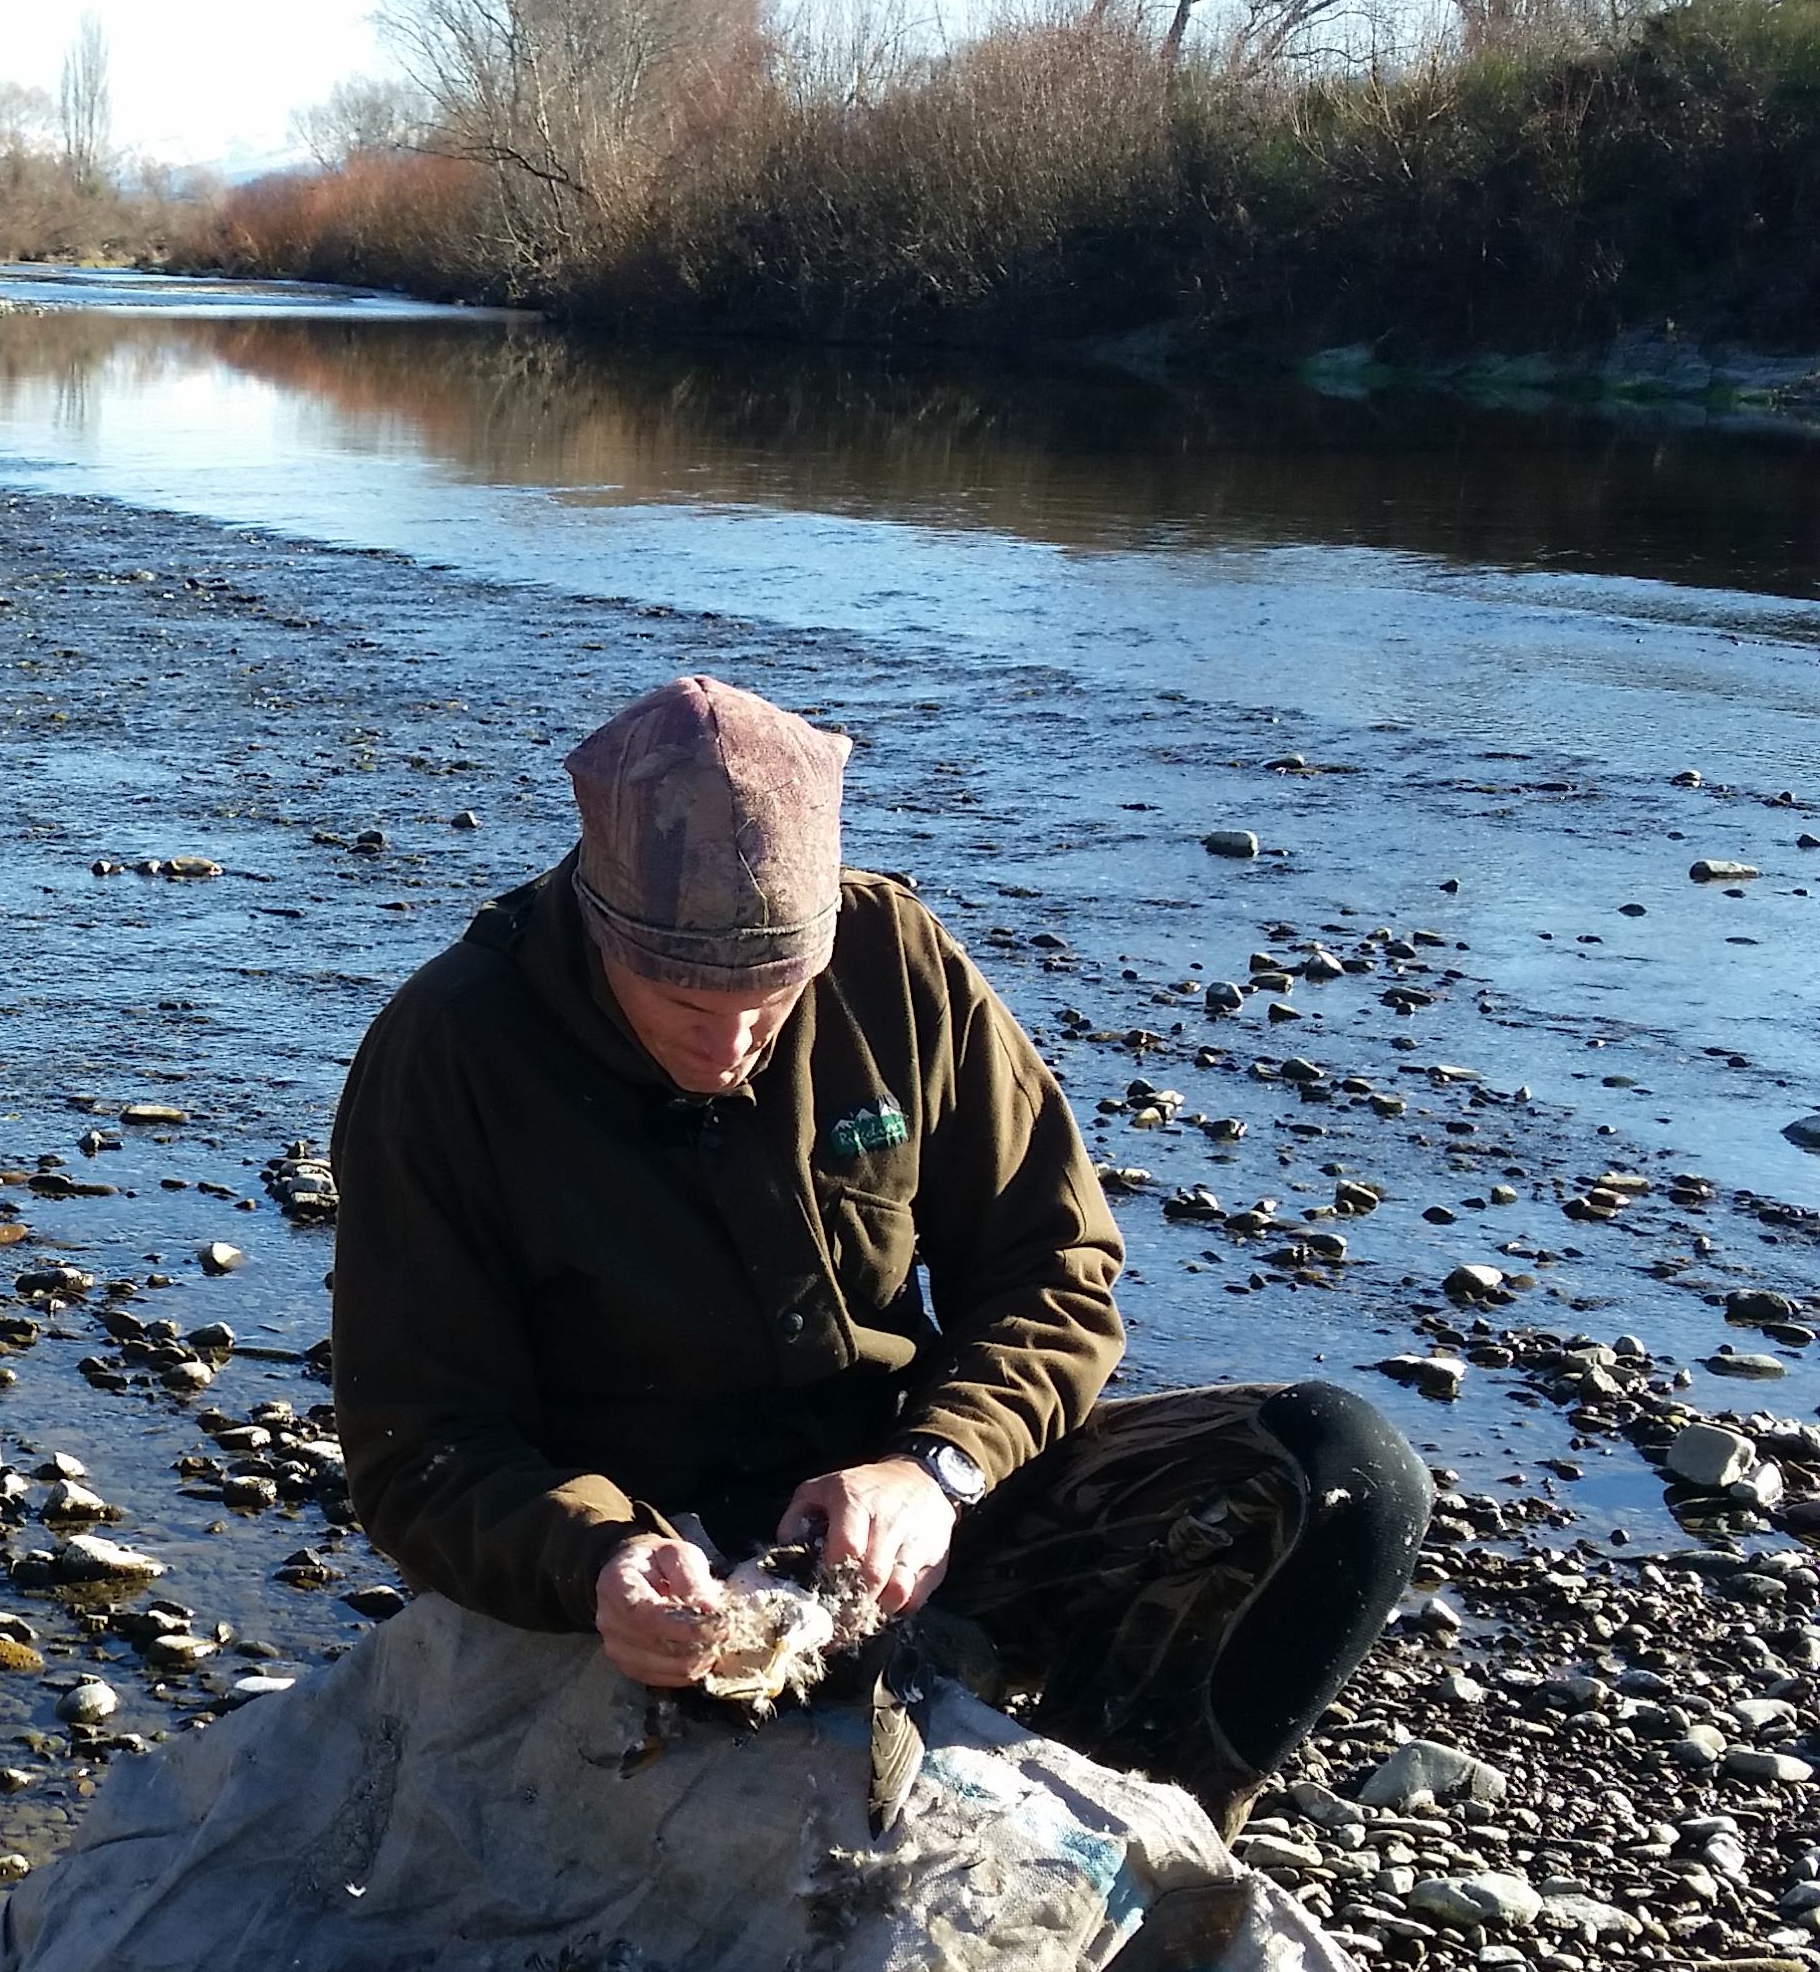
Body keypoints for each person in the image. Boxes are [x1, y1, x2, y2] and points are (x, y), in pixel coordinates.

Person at [329, 675, 1429, 1819]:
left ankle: (1096, 1872)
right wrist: (598, 1560)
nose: (735, 1039)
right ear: (598, 925)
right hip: (667, 1593)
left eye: (772, 993)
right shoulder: (447, 1054)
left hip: (896, 1518)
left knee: (1340, 1475)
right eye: (685, 1002)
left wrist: (936, 1469)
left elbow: (1056, 1272)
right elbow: (421, 1446)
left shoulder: (894, 960)